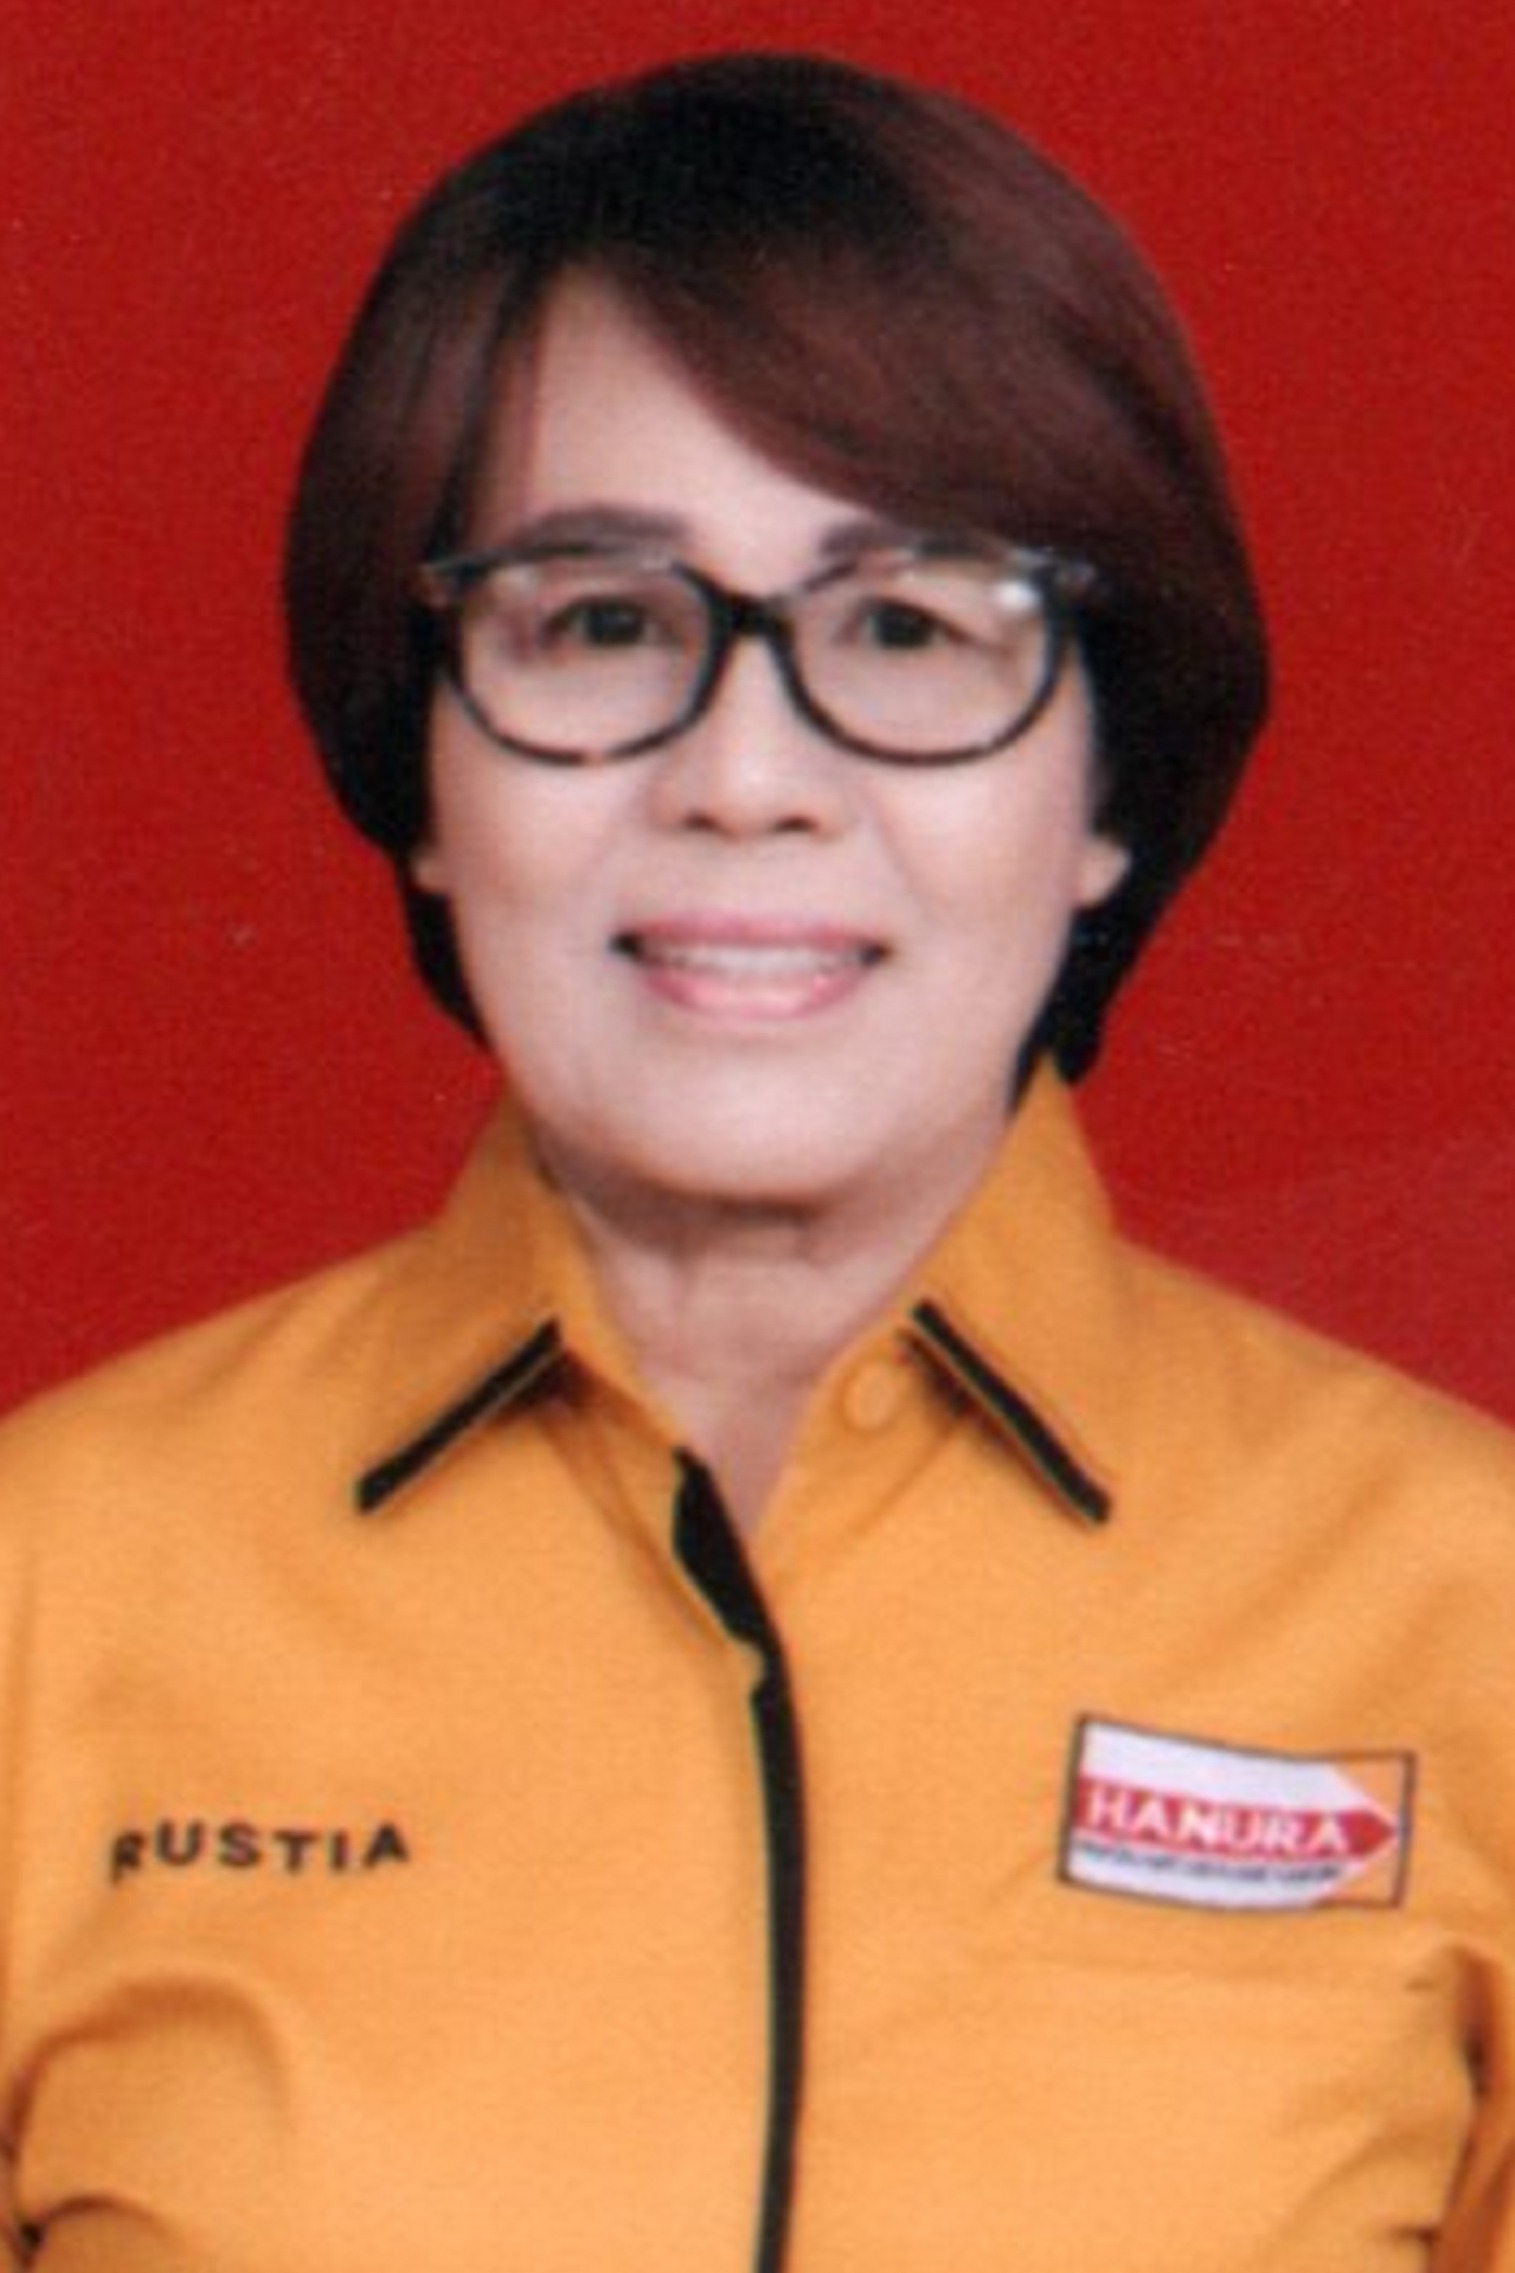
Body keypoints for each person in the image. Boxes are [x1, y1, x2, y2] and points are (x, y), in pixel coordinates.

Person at [0, 49, 1511, 2273]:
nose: (743, 774)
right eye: (600, 622)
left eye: (905, 627)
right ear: (425, 775)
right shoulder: (46, 1595)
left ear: (1105, 784)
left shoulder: (1472, 1620)